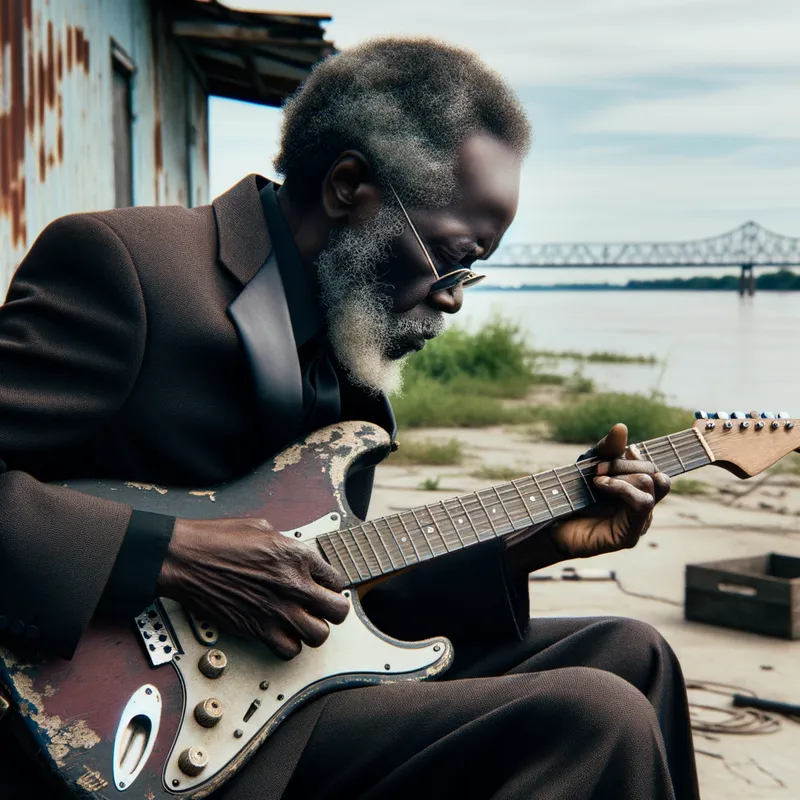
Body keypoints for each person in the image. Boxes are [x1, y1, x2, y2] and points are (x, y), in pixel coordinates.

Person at [0, 37, 698, 800]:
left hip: (282, 690)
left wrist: (526, 546)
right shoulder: (128, 268)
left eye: (472, 269)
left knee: (634, 652)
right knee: (593, 717)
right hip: (134, 734)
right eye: (447, 256)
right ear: (348, 185)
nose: (455, 296)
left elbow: (327, 589)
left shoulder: (342, 338)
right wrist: (170, 555)